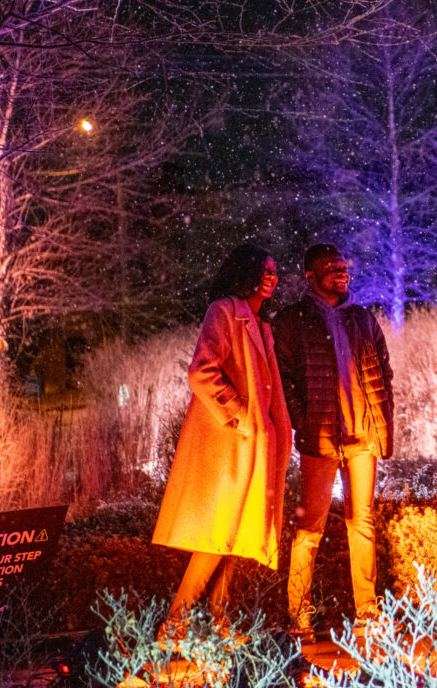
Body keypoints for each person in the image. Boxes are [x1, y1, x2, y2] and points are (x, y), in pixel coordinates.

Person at [152, 244, 292, 640]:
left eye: (275, 271)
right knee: (219, 533)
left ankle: (220, 620)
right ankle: (175, 625)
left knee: (239, 534)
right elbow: (201, 371)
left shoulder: (262, 325)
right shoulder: (226, 311)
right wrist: (238, 416)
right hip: (227, 443)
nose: (272, 278)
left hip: (254, 443)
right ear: (244, 271)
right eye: (264, 270)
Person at [273, 244, 394, 644]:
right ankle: (298, 618)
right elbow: (284, 376)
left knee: (362, 523)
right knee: (309, 528)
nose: (341, 272)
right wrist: (301, 418)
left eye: (344, 266)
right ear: (310, 275)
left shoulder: (361, 318)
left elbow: (383, 372)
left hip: (361, 438)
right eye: (331, 268)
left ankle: (368, 614)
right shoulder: (294, 320)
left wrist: (381, 423)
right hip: (319, 439)